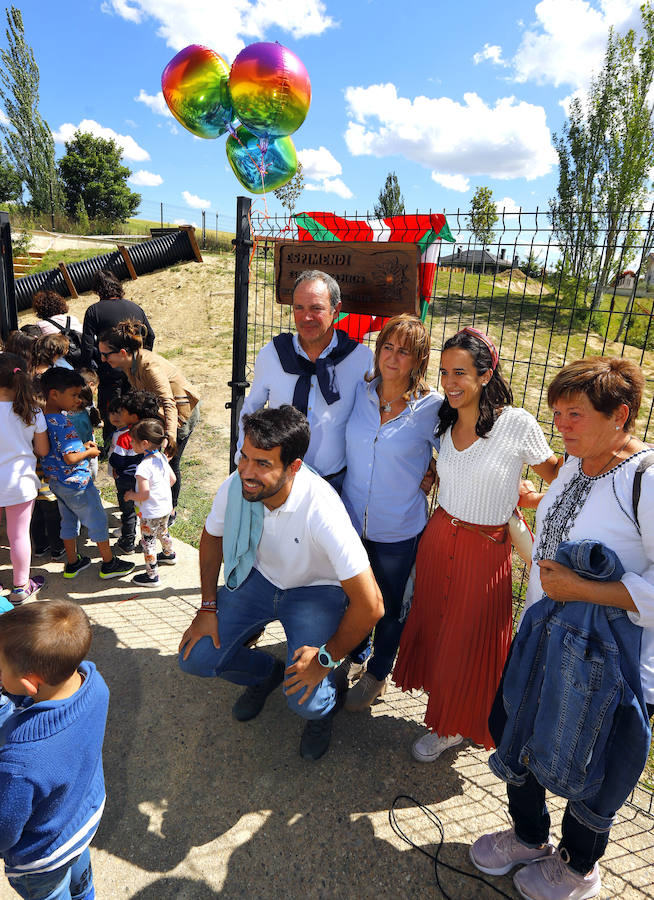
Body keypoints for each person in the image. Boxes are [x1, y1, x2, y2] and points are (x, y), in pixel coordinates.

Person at [470, 357, 654, 900]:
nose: (561, 426)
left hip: (611, 662)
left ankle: (577, 866)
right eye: (557, 413)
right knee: (514, 728)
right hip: (544, 639)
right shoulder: (577, 463)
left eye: (575, 414)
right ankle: (529, 836)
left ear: (620, 415)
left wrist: (584, 590)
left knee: (592, 764)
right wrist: (539, 502)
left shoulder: (645, 479)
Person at [178, 405, 383, 761]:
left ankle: (324, 708)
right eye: (244, 457)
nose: (246, 472)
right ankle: (265, 674)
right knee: (195, 657)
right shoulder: (238, 484)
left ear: (294, 467)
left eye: (262, 464)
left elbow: (371, 605)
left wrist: (325, 658)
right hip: (260, 580)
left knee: (305, 700)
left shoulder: (322, 509)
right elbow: (211, 537)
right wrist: (207, 606)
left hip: (315, 592)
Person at [393, 327, 559, 762]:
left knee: (468, 642)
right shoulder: (444, 419)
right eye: (445, 372)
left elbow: (557, 475)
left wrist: (533, 498)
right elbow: (460, 473)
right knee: (439, 630)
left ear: (485, 375)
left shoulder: (516, 424)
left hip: (484, 551)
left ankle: (453, 724)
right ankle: (447, 710)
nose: (450, 382)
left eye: (461, 373)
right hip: (439, 538)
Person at [340, 314, 442, 709]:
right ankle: (355, 654)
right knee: (354, 598)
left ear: (419, 360)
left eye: (404, 352)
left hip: (399, 529)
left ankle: (378, 672)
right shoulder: (360, 392)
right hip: (352, 523)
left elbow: (453, 455)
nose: (393, 358)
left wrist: (433, 473)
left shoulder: (432, 407)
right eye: (388, 347)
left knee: (391, 607)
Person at [0, 600, 108, 900]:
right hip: (81, 818)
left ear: (29, 683)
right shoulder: (95, 684)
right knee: (82, 885)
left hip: (43, 859)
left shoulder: (20, 762)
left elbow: (4, 830)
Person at [237, 270, 373, 492]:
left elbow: (372, 421)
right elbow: (250, 410)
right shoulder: (272, 355)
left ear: (336, 310)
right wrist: (242, 460)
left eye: (316, 308)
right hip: (278, 481)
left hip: (335, 483)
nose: (306, 317)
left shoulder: (361, 360)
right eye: (299, 308)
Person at [98, 320, 200, 522]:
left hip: (179, 416)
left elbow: (169, 402)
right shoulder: (128, 364)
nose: (102, 359)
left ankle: (169, 510)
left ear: (123, 352)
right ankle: (150, 500)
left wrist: (170, 437)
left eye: (106, 354)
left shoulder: (149, 366)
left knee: (169, 462)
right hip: (160, 415)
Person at [40, 367, 135, 581]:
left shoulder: (43, 419)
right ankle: (109, 563)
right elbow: (70, 458)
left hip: (57, 482)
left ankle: (73, 562)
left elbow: (58, 450)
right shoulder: (63, 422)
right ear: (54, 394)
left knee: (68, 522)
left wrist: (80, 446)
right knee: (98, 519)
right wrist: (89, 452)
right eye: (73, 395)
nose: (78, 400)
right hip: (78, 483)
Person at [80, 270, 155, 448]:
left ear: (97, 289)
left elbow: (87, 345)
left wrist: (89, 370)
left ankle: (110, 446)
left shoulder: (94, 311)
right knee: (134, 406)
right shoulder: (135, 308)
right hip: (133, 366)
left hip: (108, 369)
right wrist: (141, 359)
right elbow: (150, 336)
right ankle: (135, 443)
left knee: (111, 409)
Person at [0, 353, 48, 605]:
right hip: (20, 484)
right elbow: (42, 450)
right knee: (18, 535)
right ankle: (20, 587)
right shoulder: (33, 411)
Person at [125, 418, 176, 588]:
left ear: (145, 443)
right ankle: (169, 554)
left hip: (150, 513)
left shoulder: (143, 467)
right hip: (165, 508)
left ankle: (152, 576)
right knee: (163, 531)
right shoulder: (161, 457)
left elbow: (144, 494)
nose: (131, 443)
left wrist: (131, 495)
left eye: (133, 441)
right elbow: (172, 480)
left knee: (148, 543)